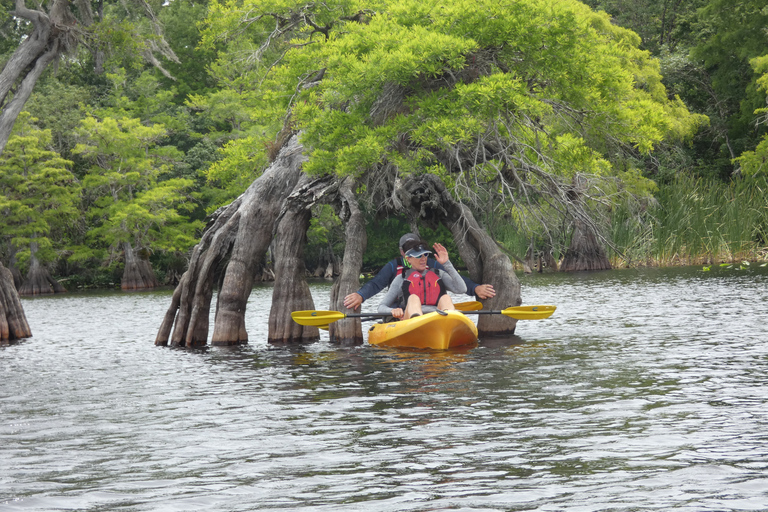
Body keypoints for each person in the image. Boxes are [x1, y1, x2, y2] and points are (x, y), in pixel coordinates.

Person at [342, 233, 495, 311]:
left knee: (446, 300)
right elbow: (376, 284)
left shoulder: (432, 265)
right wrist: (361, 295)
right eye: (411, 250)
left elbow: (456, 281)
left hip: (435, 313)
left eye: (421, 252)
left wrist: (474, 288)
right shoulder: (394, 267)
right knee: (413, 299)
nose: (422, 258)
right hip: (403, 310)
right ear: (403, 252)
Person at [377, 239, 465, 319]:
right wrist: (393, 310)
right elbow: (381, 307)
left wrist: (446, 263)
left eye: (425, 255)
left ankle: (449, 321)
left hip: (437, 318)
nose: (423, 259)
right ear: (409, 259)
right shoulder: (401, 278)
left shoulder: (439, 274)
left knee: (445, 298)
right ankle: (418, 321)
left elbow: (461, 289)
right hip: (411, 320)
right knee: (413, 298)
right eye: (418, 256)